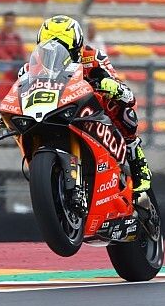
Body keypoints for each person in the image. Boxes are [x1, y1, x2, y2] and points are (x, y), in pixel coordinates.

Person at [29, 15, 151, 193]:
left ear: (75, 47)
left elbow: (119, 86)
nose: (54, 53)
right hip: (55, 110)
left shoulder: (93, 57)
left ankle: (137, 162)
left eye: (62, 47)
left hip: (89, 109)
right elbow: (21, 85)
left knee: (121, 107)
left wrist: (110, 85)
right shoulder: (34, 64)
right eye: (49, 49)